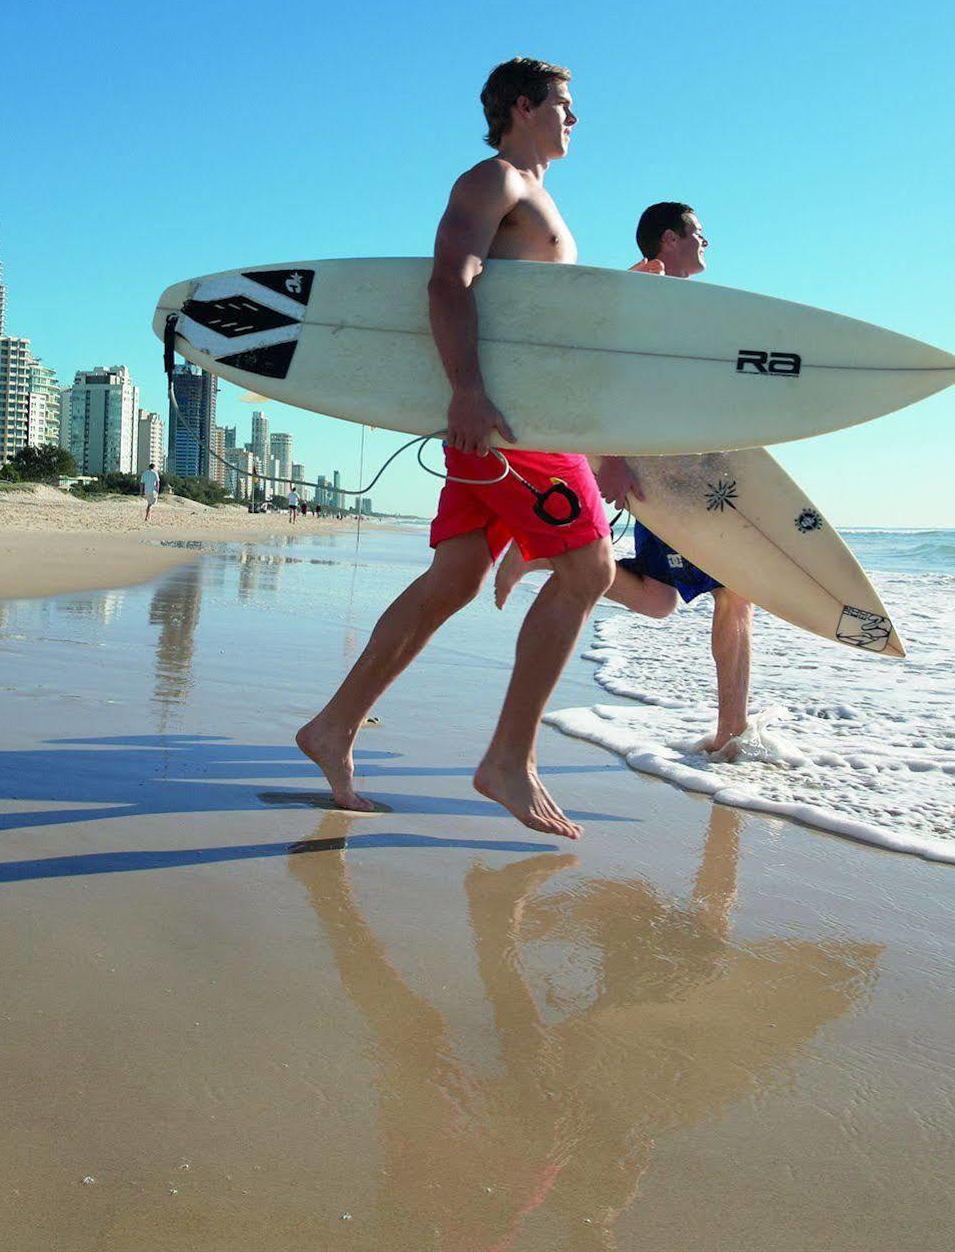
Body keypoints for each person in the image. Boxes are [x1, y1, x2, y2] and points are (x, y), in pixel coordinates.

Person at [295, 58, 615, 839]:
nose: (575, 120)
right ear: (521, 105)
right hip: (505, 423)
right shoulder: (495, 180)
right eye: (564, 106)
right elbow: (448, 281)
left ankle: (333, 727)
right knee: (589, 568)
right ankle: (509, 757)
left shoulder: (536, 195)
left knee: (454, 579)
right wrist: (466, 390)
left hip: (495, 419)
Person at [496, 203, 755, 754]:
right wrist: (606, 456)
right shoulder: (642, 292)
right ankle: (732, 732)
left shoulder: (684, 304)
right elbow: (595, 374)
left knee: (666, 599)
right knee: (734, 590)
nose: (707, 242)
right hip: (661, 470)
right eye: (699, 233)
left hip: (691, 467)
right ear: (670, 238)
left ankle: (548, 555)